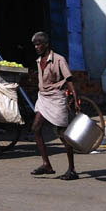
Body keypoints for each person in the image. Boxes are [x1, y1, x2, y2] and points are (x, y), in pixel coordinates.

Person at [30, 30, 80, 180]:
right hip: (43, 98)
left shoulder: (59, 60)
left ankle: (72, 169)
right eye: (35, 45)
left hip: (57, 98)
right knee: (35, 128)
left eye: (39, 44)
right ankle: (47, 164)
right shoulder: (39, 61)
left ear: (46, 45)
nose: (36, 47)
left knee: (63, 134)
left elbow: (69, 80)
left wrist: (75, 99)